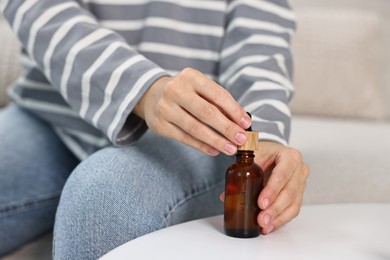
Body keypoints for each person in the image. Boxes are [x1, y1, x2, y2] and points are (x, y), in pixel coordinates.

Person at [0, 0, 309, 258]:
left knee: (104, 196)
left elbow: (260, 43)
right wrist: (143, 90)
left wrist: (263, 137)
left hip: (193, 135)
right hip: (52, 113)